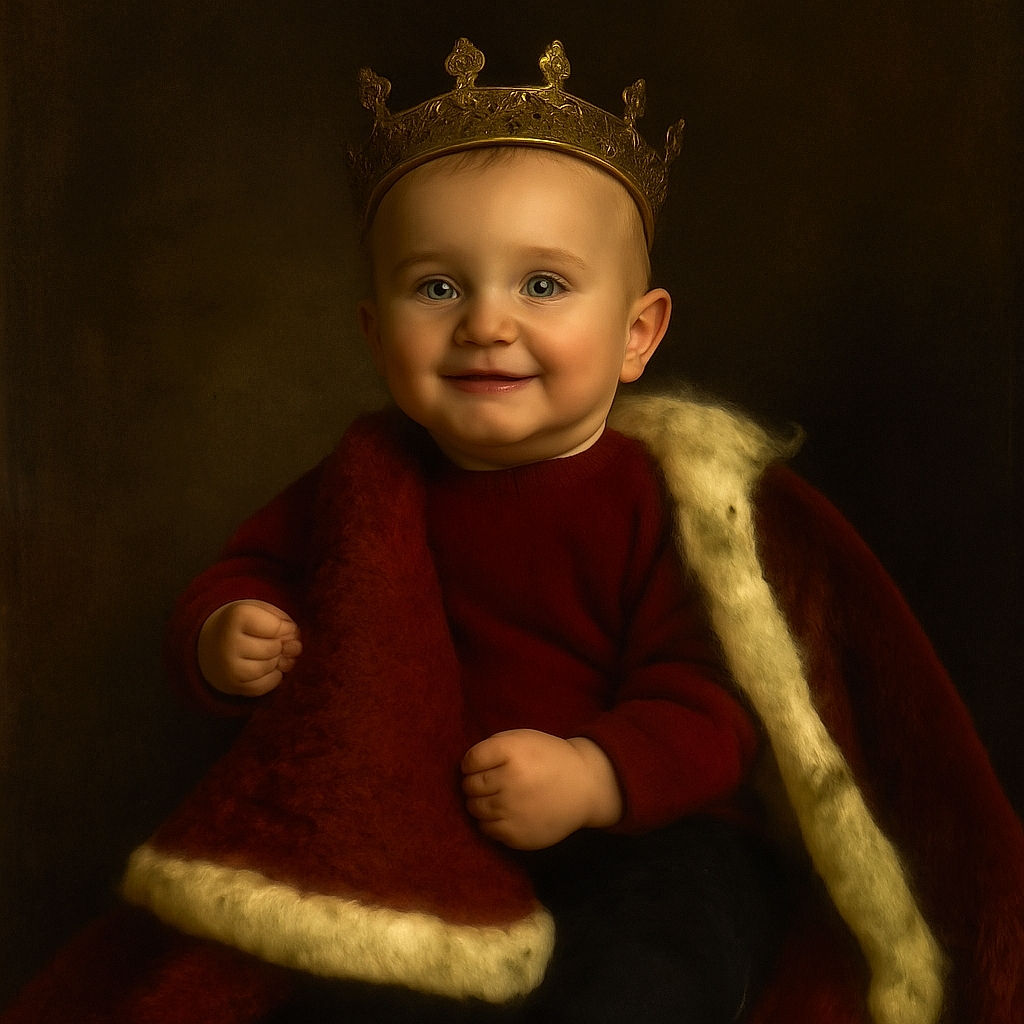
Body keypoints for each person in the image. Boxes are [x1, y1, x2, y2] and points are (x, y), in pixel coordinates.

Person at [4, 38, 1022, 1024]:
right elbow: (251, 569)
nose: (485, 322)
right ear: (374, 332)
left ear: (636, 333)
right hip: (428, 838)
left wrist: (594, 774)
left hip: (648, 837)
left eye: (542, 285)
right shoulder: (364, 480)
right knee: (344, 991)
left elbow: (710, 699)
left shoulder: (657, 499)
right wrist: (227, 629)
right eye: (437, 286)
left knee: (656, 973)